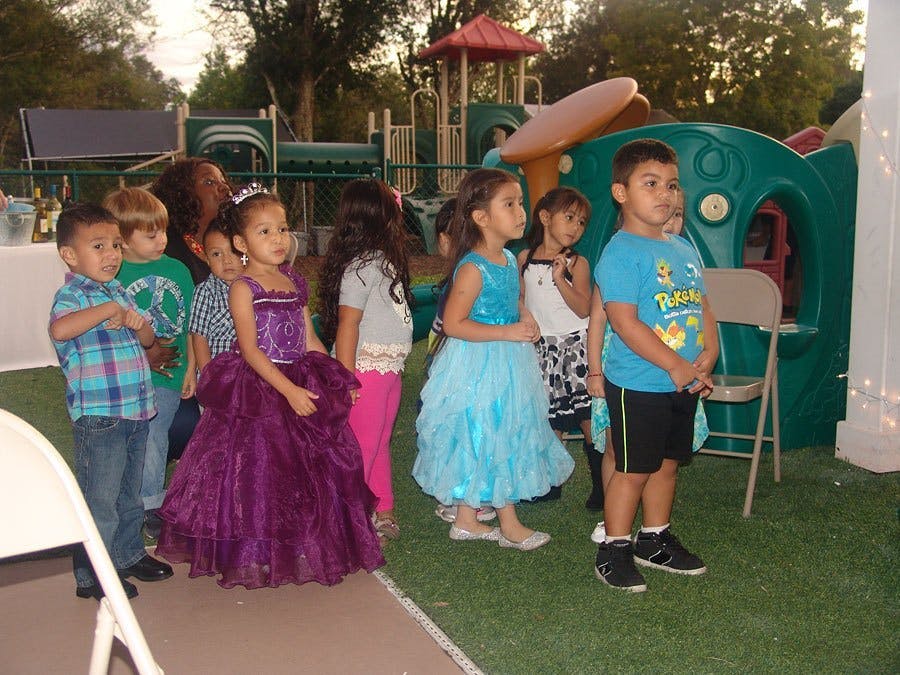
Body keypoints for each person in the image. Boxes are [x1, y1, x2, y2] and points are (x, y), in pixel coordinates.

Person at [155, 184, 383, 589]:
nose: (278, 239)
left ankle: (300, 541)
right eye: (265, 232)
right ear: (241, 242)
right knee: (258, 473)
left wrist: (334, 375)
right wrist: (289, 392)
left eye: (282, 229)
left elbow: (308, 336)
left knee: (306, 470)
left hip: (299, 376)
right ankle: (256, 549)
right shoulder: (244, 288)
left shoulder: (293, 279)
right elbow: (251, 350)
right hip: (263, 388)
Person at [413, 168, 575, 551]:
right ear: (481, 217)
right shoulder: (472, 267)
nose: (521, 212)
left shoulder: (505, 258)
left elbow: (512, 299)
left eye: (520, 203)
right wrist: (506, 332)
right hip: (477, 363)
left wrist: (524, 315)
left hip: (507, 361)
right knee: (491, 430)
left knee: (497, 430)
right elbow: (453, 323)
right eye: (509, 204)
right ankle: (510, 523)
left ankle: (467, 519)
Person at [592, 139, 718, 593]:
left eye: (671, 184)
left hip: (681, 381)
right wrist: (677, 366)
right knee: (632, 469)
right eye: (650, 183)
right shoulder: (621, 254)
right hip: (639, 384)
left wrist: (709, 350)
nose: (664, 193)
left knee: (666, 465)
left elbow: (700, 304)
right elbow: (624, 324)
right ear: (621, 192)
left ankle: (654, 538)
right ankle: (615, 548)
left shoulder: (682, 249)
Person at [49, 204, 174, 601]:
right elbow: (60, 328)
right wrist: (106, 310)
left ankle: (126, 553)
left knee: (128, 495)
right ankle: (93, 574)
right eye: (98, 246)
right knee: (99, 498)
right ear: (70, 255)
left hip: (136, 411)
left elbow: (150, 341)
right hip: (100, 416)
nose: (111, 254)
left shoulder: (118, 291)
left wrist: (141, 325)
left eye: (116, 245)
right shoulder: (72, 295)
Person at [318, 179, 415, 543]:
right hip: (366, 372)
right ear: (379, 216)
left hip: (388, 370)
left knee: (379, 441)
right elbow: (349, 324)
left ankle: (382, 508)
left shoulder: (382, 262)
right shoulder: (360, 267)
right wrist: (345, 378)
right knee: (361, 448)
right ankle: (349, 520)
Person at [104, 188, 196, 541]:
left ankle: (151, 506)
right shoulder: (113, 277)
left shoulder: (178, 270)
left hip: (170, 375)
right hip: (126, 376)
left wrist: (190, 367)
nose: (162, 240)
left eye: (163, 231)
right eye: (151, 234)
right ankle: (124, 501)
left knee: (156, 436)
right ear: (123, 241)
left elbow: (190, 323)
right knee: (126, 439)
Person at [517, 186, 598, 508]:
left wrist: (560, 277)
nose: (575, 228)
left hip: (576, 348)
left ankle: (601, 485)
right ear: (545, 217)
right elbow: (522, 299)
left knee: (586, 415)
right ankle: (551, 481)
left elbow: (584, 308)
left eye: (581, 222)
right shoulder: (524, 258)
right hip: (543, 349)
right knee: (549, 417)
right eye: (569, 218)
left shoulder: (578, 263)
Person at [425, 198, 497, 526]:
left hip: (462, 365)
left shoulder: (465, 274)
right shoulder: (464, 274)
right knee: (462, 429)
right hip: (457, 364)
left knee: (465, 428)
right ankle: (465, 497)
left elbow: (454, 326)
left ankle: (468, 497)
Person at [150, 157, 233, 285]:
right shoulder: (166, 248)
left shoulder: (243, 240)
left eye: (223, 181)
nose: (224, 187)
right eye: (209, 182)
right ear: (183, 193)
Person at [189, 220, 241, 373]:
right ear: (207, 259)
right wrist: (209, 376)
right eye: (216, 254)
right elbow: (199, 338)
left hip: (248, 375)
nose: (226, 260)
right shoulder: (206, 291)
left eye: (233, 251)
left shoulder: (255, 288)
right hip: (218, 375)